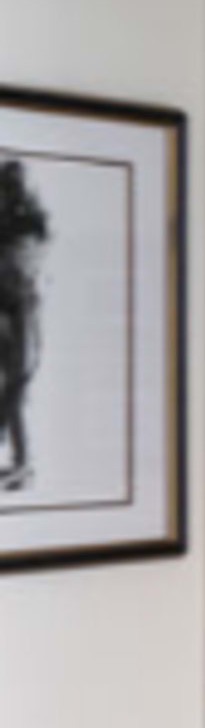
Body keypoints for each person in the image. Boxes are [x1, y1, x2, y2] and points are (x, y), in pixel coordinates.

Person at [0, 158, 40, 495]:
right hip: (15, 316)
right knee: (11, 391)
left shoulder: (23, 232)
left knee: (13, 391)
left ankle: (22, 464)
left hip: (19, 317)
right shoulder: (25, 229)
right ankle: (20, 463)